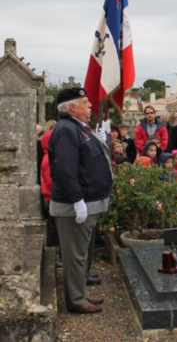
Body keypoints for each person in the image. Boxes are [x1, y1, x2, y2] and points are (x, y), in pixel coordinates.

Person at [48, 87, 112, 314]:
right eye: (85, 102)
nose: (90, 105)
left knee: (82, 253)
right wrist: (76, 199)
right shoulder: (66, 129)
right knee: (75, 255)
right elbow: (65, 169)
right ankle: (75, 299)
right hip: (73, 205)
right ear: (72, 107)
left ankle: (81, 293)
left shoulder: (77, 127)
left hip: (88, 202)